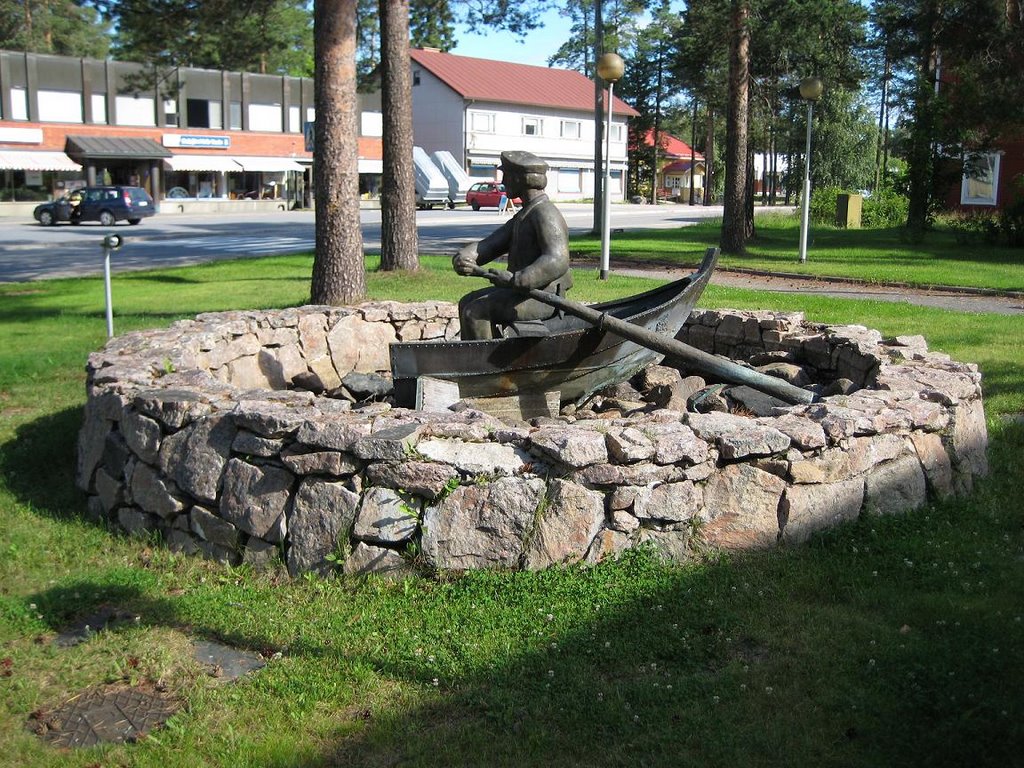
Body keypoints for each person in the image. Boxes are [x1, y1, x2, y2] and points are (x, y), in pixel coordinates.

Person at [452, 151, 572, 340]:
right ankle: (480, 358)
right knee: (466, 302)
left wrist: (518, 279)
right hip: (521, 292)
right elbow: (492, 244)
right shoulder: (524, 215)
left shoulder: (546, 214)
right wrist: (468, 255)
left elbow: (557, 259)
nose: (503, 182)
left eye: (506, 176)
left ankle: (486, 366)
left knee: (476, 311)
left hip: (543, 296)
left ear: (520, 180)